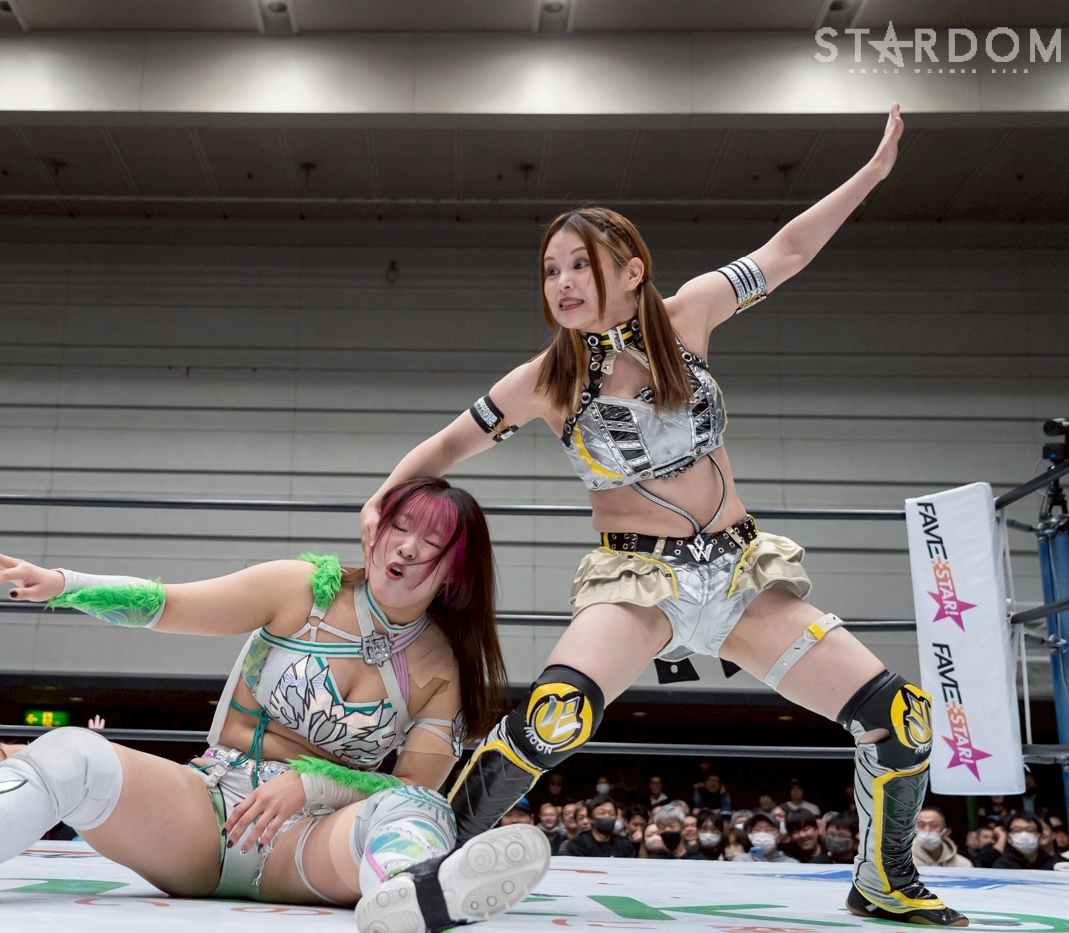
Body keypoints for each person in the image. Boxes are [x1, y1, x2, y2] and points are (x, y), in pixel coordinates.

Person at [361, 105, 960, 926]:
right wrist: (384, 498)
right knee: (554, 717)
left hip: (742, 576)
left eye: (581, 263)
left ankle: (884, 876)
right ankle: (427, 870)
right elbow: (444, 446)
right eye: (551, 269)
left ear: (633, 269)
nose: (563, 282)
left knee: (901, 718)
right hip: (639, 580)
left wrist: (873, 173)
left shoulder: (690, 315)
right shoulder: (544, 380)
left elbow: (788, 250)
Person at [0, 477, 547, 933]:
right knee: (70, 752)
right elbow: (169, 602)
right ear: (375, 528)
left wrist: (315, 783)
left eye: (431, 539)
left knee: (418, 814)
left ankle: (416, 894)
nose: (406, 546)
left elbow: (412, 790)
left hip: (315, 846)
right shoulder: (303, 585)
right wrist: (63, 584)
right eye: (400, 524)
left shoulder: (440, 668)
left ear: (456, 568)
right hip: (208, 814)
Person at [975, 812, 1066, 871]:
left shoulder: (1056, 864)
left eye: (1030, 830)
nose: (1024, 834)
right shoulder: (1002, 866)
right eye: (1017, 830)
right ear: (1009, 837)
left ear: (1039, 835)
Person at [559, 793, 634, 858]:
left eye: (612, 814)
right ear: (591, 818)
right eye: (602, 813)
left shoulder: (625, 845)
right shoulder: (577, 844)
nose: (607, 817)